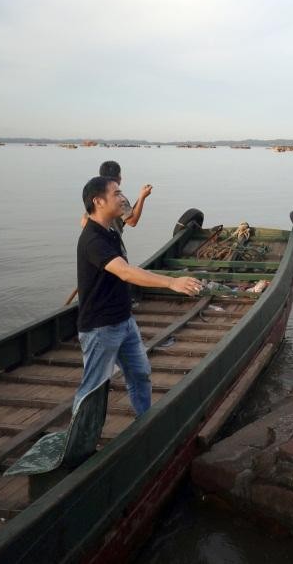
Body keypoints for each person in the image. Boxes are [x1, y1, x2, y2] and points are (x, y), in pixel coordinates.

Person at [73, 176, 202, 412]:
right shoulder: (92, 239)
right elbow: (125, 272)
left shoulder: (110, 231)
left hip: (124, 321)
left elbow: (128, 269)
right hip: (101, 328)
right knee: (92, 389)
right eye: (117, 193)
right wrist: (172, 282)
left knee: (140, 375)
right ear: (98, 201)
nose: (123, 198)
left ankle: (144, 421)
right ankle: (80, 444)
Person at [97, 160, 152, 234]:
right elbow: (132, 221)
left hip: (94, 238)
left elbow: (83, 221)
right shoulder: (118, 198)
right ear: (118, 177)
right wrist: (142, 197)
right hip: (111, 240)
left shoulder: (95, 194)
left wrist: (141, 196)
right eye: (120, 174)